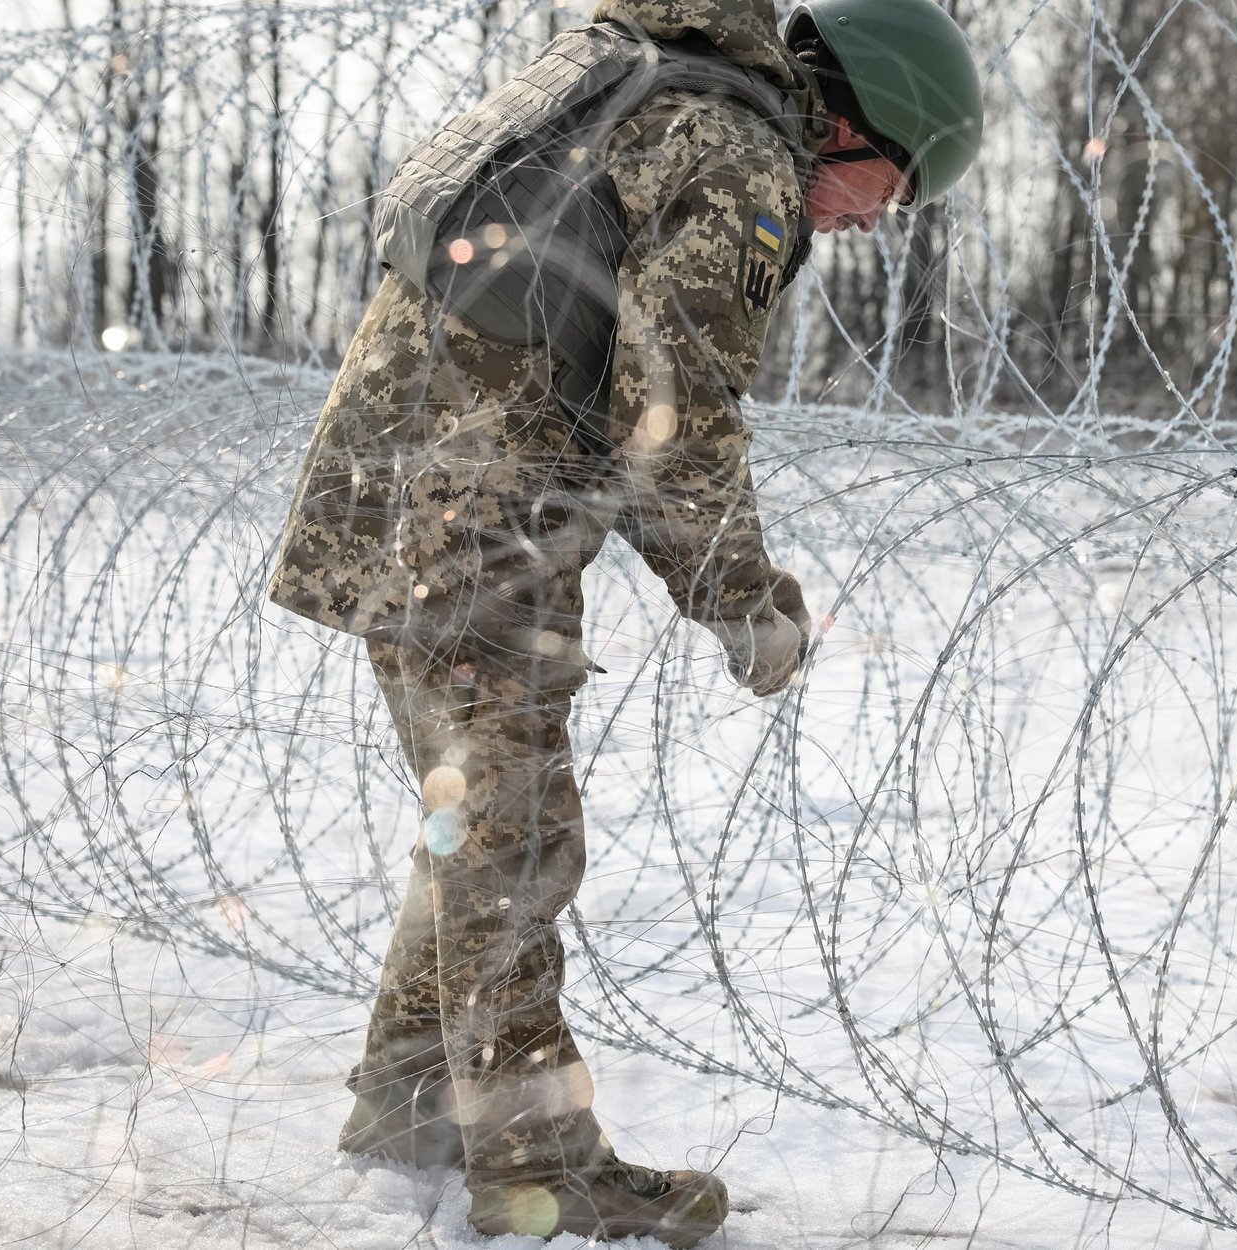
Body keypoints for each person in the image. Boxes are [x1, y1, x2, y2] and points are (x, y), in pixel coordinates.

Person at [263, 0, 980, 1243]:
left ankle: (410, 1098)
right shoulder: (738, 151)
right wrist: (743, 601)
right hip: (470, 517)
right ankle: (539, 1164)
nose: (871, 219)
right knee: (517, 841)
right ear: (855, 120)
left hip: (409, 488)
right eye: (888, 186)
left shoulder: (632, 79)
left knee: (480, 828)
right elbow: (678, 417)